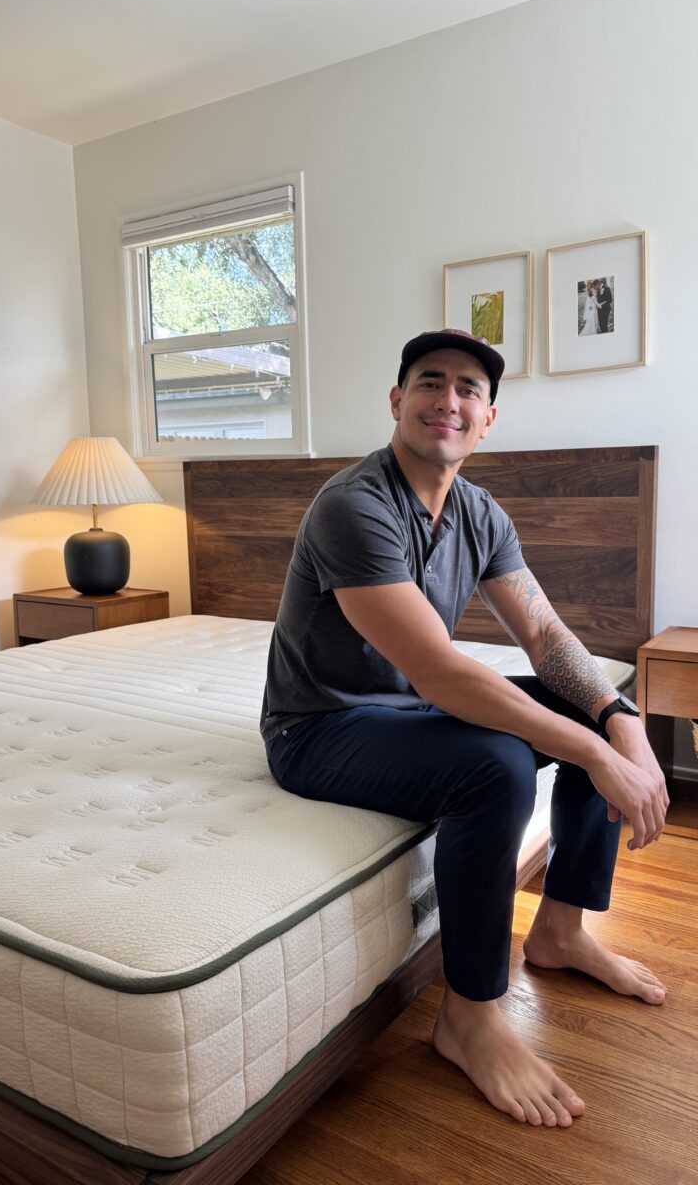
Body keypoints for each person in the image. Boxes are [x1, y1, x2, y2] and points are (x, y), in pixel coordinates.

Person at [261, 329, 669, 1128]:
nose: (447, 400)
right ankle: (469, 1015)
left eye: (467, 391)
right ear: (397, 401)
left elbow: (547, 639)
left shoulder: (479, 512)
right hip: (317, 727)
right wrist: (593, 750)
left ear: (488, 419)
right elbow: (442, 674)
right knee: (499, 765)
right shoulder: (355, 506)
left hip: (405, 711)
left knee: (584, 706)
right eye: (428, 383)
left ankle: (559, 932)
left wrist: (620, 720)